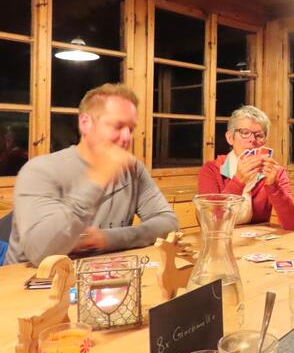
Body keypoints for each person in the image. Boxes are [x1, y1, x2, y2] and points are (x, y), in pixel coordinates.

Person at [5, 84, 178, 266]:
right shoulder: (39, 171)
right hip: (28, 279)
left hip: (98, 275)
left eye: (131, 129)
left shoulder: (133, 170)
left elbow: (169, 223)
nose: (127, 137)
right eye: (118, 126)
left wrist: (107, 239)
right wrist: (96, 180)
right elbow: (40, 253)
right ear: (85, 123)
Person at [198, 106, 294, 230]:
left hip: (256, 239)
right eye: (245, 133)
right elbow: (210, 221)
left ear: (265, 141)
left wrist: (273, 186)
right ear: (230, 138)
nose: (252, 140)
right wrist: (238, 182)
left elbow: (291, 223)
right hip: (222, 236)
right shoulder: (211, 170)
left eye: (259, 135)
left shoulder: (275, 172)